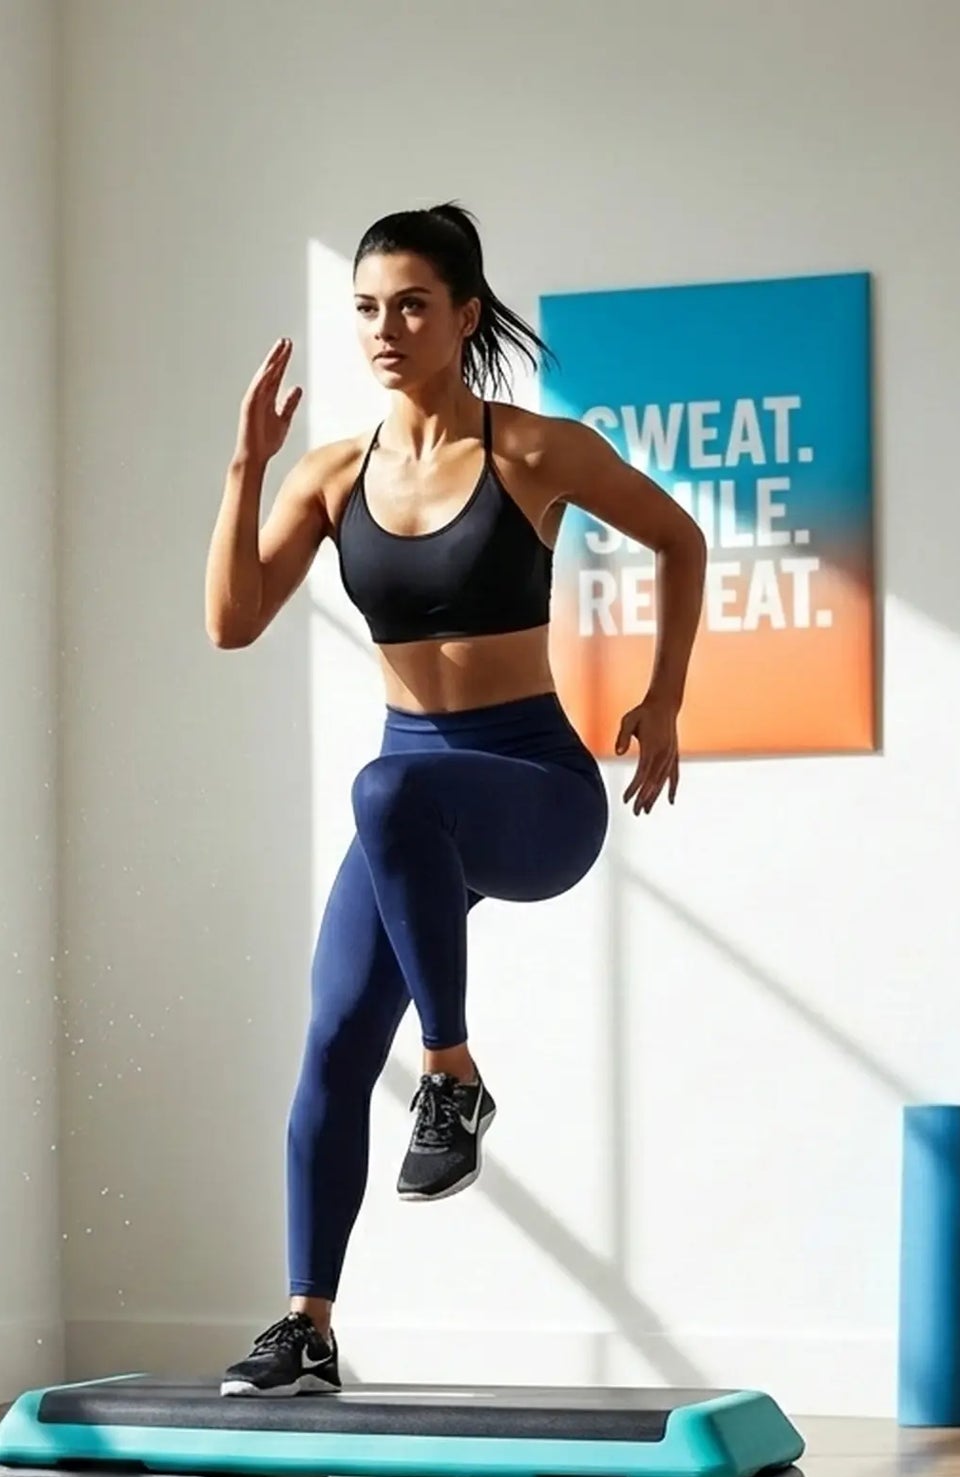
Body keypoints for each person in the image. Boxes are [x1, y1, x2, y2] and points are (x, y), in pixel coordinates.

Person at [203, 202, 707, 1398]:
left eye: (411, 306)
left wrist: (663, 698)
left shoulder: (536, 452)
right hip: (408, 809)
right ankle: (307, 1324)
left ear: (464, 315)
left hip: (530, 787)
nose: (384, 329)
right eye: (367, 308)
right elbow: (229, 622)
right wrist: (244, 466)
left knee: (389, 784)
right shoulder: (334, 475)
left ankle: (451, 1071)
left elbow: (680, 541)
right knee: (328, 1042)